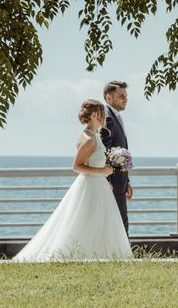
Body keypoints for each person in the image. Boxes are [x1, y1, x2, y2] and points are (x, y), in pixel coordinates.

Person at [13, 99, 133, 262]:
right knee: (86, 222)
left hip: (100, 184)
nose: (104, 117)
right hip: (90, 186)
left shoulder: (95, 135)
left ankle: (102, 256)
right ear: (93, 115)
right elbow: (77, 166)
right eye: (101, 113)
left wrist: (107, 173)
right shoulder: (89, 139)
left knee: (100, 222)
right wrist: (102, 171)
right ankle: (78, 255)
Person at [101, 80, 132, 233]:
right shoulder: (108, 118)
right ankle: (123, 255)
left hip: (120, 180)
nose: (125, 99)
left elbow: (119, 150)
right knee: (119, 222)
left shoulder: (115, 116)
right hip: (113, 181)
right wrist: (107, 181)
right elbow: (104, 151)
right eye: (121, 96)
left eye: (126, 96)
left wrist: (127, 180)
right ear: (109, 98)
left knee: (120, 220)